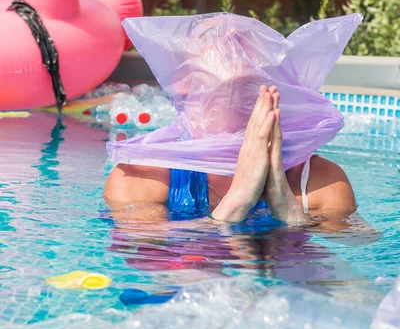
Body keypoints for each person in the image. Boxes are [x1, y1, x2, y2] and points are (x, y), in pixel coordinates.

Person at [104, 84, 356, 228]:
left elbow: (360, 254)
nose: (234, 101)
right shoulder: (140, 176)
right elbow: (155, 263)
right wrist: (235, 203)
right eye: (218, 88)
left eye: (247, 86)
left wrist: (287, 210)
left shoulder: (320, 181)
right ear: (188, 97)